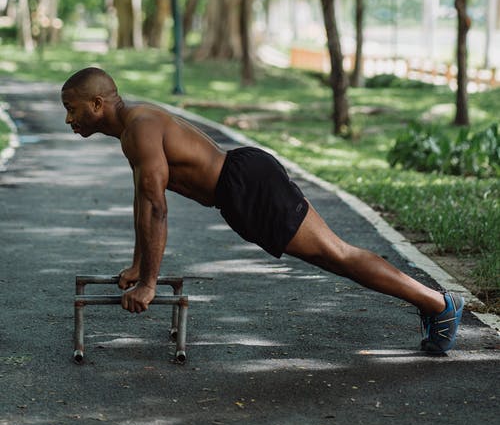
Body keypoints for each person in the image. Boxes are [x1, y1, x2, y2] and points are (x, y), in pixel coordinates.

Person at [61, 67, 464, 355]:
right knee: (334, 258)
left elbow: (156, 208)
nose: (68, 118)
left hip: (247, 185)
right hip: (240, 190)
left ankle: (438, 305)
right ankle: (433, 304)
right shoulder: (134, 128)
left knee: (337, 255)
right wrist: (137, 265)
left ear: (97, 103)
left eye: (72, 108)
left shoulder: (140, 128)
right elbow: (143, 203)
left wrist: (149, 284)